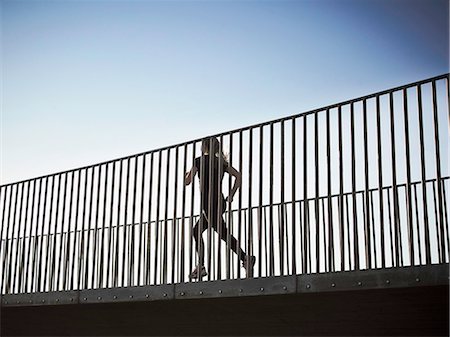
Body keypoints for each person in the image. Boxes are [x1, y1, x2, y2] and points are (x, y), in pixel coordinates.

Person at [184, 137, 256, 279]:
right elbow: (238, 176)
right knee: (216, 233)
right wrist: (231, 195)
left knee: (200, 231)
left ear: (204, 147)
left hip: (208, 203)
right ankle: (246, 258)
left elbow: (187, 181)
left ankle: (201, 266)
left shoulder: (199, 161)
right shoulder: (221, 163)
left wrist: (187, 173)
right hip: (219, 201)